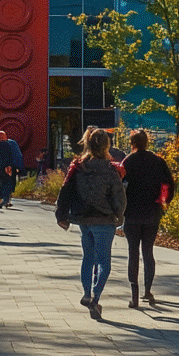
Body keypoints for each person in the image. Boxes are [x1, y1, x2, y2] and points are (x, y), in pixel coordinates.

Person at [54, 128, 126, 319]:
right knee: (104, 262)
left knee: (88, 257)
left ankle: (86, 293)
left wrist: (63, 214)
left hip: (83, 219)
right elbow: (119, 196)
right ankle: (95, 297)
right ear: (106, 145)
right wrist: (119, 215)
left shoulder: (79, 167)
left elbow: (67, 190)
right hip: (104, 220)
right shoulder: (110, 169)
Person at [120, 129, 174, 309]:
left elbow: (119, 186)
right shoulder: (158, 161)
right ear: (147, 143)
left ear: (132, 143)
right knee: (148, 252)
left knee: (133, 252)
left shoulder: (128, 162)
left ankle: (134, 293)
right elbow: (169, 185)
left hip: (132, 213)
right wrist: (163, 203)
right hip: (152, 212)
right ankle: (148, 290)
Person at [0, 130, 23, 208]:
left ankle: (1, 200)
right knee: (9, 183)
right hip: (9, 167)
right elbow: (15, 156)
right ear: (5, 136)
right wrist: (18, 167)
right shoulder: (10, 144)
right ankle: (6, 200)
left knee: (0, 183)